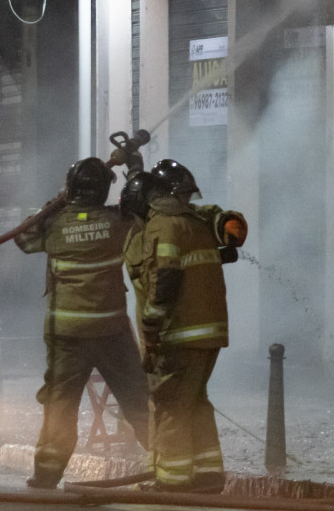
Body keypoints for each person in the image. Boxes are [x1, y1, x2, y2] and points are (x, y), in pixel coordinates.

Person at [15, 157, 151, 490]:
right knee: (137, 397)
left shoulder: (55, 225)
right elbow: (143, 212)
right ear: (104, 189)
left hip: (67, 336)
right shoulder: (116, 222)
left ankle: (46, 473)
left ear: (72, 188)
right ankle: (170, 461)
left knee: (60, 403)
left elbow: (23, 238)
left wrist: (57, 201)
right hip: (111, 332)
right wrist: (135, 171)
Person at [133, 158, 247, 493]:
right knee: (196, 402)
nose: (187, 200)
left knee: (170, 405)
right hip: (210, 333)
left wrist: (151, 325)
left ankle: (173, 480)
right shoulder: (196, 222)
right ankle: (209, 475)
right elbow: (218, 219)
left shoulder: (163, 224)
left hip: (180, 333)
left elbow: (165, 280)